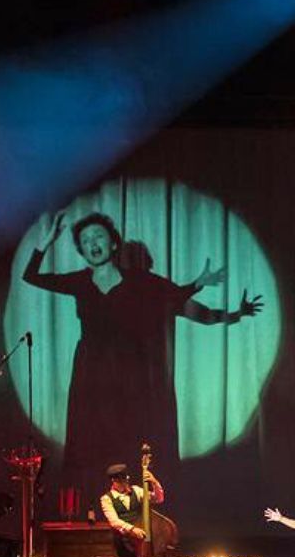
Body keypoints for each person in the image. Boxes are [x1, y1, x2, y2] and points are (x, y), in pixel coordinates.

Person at [22, 211, 264, 499]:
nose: (92, 243)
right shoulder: (79, 281)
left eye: (98, 236)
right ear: (82, 250)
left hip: (129, 376)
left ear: (113, 244)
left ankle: (138, 512)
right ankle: (96, 512)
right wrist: (44, 243)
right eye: (85, 240)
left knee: (131, 443)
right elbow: (31, 276)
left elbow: (182, 302)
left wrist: (233, 312)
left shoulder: (141, 281)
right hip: (91, 376)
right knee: (92, 445)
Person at [98, 463, 166, 557]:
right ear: (114, 481)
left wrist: (154, 482)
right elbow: (114, 521)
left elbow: (158, 499)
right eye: (122, 481)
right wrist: (132, 529)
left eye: (126, 479)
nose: (126, 483)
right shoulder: (106, 499)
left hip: (141, 542)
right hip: (122, 543)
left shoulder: (137, 491)